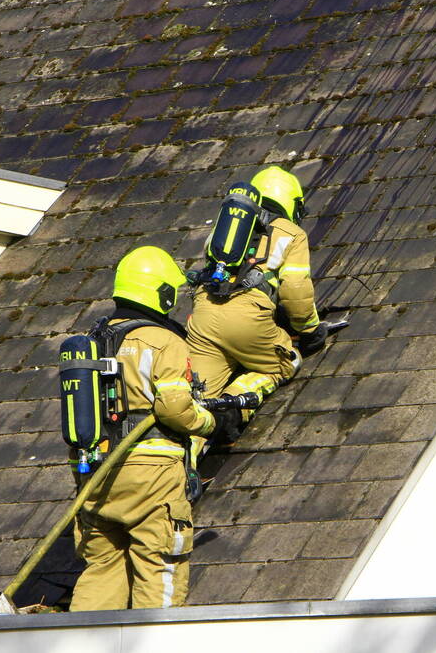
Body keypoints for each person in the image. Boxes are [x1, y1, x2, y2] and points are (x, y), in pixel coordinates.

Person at [70, 245, 218, 611]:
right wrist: (209, 421)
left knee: (102, 568)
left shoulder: (92, 341)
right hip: (152, 474)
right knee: (160, 565)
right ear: (161, 292)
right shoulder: (164, 340)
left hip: (95, 473)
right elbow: (174, 409)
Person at [186, 166, 326, 453]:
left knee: (193, 403)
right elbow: (295, 290)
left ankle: (182, 464)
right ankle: (232, 407)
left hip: (204, 315)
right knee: (284, 363)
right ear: (292, 202)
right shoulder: (292, 233)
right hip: (247, 318)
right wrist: (310, 329)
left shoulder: (223, 230)